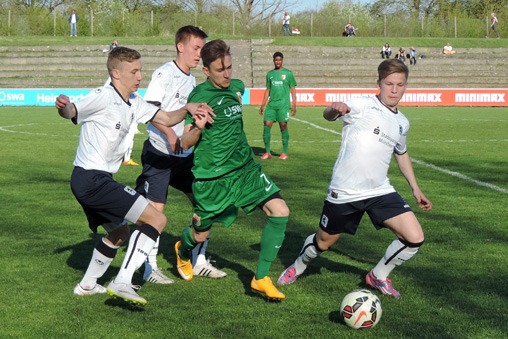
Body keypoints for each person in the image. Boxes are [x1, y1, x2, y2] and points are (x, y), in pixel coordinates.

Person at [56, 46, 213, 305]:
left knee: (119, 233)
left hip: (93, 180)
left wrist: (187, 108)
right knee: (156, 219)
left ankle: (86, 285)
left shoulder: (134, 101)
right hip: (91, 179)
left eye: (140, 70)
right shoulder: (103, 95)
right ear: (116, 73)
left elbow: (167, 117)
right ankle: (123, 281)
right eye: (134, 71)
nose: (140, 76)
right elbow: (71, 112)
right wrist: (62, 106)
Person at [277, 59, 432, 300]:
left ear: (405, 86)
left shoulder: (402, 122)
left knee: (414, 238)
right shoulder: (362, 104)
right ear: (378, 83)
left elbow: (401, 153)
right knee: (323, 243)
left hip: (379, 190)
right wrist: (334, 109)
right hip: (346, 191)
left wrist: (416, 188)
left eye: (399, 85)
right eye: (388, 83)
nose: (393, 90)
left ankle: (378, 275)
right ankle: (298, 266)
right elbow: (328, 115)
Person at [174, 39, 290, 301]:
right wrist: (199, 126)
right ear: (206, 71)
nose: (227, 74)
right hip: (214, 178)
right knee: (200, 233)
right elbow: (185, 142)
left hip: (246, 169)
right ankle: (183, 249)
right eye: (219, 70)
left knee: (280, 211)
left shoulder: (236, 87)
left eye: (229, 67)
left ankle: (260, 278)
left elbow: (237, 94)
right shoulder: (200, 98)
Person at [135, 25, 226, 284]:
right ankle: (149, 267)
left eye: (202, 49)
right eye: (196, 48)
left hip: (183, 157)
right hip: (160, 154)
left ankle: (198, 260)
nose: (200, 54)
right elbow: (148, 114)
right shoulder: (164, 73)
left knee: (205, 203)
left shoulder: (191, 79)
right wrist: (171, 134)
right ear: (180, 46)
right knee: (157, 212)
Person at [259, 52, 297, 160]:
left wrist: (294, 104)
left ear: (282, 60)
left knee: (283, 126)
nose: (277, 62)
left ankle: (284, 153)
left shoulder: (288, 73)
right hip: (271, 105)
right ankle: (267, 152)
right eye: (276, 60)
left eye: (279, 60)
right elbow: (268, 90)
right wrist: (263, 104)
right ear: (273, 60)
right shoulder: (270, 74)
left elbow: (293, 90)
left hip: (283, 105)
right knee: (266, 124)